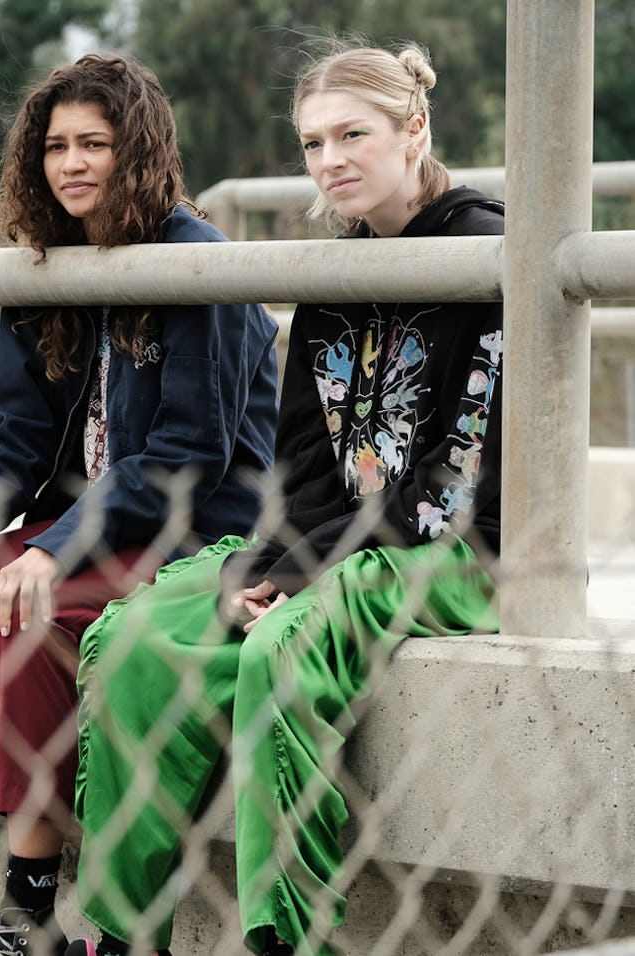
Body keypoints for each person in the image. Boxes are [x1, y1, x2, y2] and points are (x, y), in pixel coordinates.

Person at [64, 39, 504, 956]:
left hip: (459, 550)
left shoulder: (485, 252)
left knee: (278, 645)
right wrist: (270, 559)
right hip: (334, 541)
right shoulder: (330, 275)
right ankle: (120, 931)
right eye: (311, 143)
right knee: (142, 633)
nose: (329, 160)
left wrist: (299, 570)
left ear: (414, 127)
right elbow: (301, 466)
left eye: (353, 134)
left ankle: (284, 937)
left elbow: (451, 489)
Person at [0, 52, 279, 956]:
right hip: (72, 529)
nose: (72, 164)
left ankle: (27, 913)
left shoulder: (195, 263)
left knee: (35, 606)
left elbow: (188, 458)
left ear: (137, 148)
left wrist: (49, 551)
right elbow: (13, 444)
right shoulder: (45, 269)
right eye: (56, 146)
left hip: (193, 530)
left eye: (94, 142)